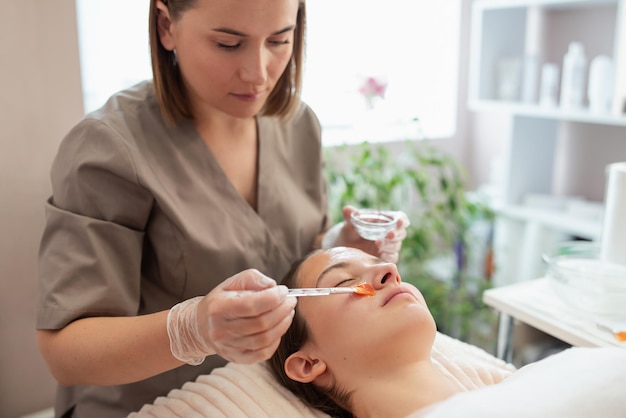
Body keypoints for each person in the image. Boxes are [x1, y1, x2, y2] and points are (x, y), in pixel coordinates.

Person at [35, 1, 409, 417]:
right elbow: (64, 353)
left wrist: (341, 244)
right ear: (166, 25)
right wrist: (192, 330)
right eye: (229, 43)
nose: (259, 72)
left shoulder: (298, 124)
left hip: (260, 399)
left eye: (280, 40)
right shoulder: (110, 148)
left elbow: (291, 248)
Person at [269, 246, 626, 418]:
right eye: (345, 281)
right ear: (308, 363)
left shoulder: (539, 381)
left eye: (381, 265)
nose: (390, 271)